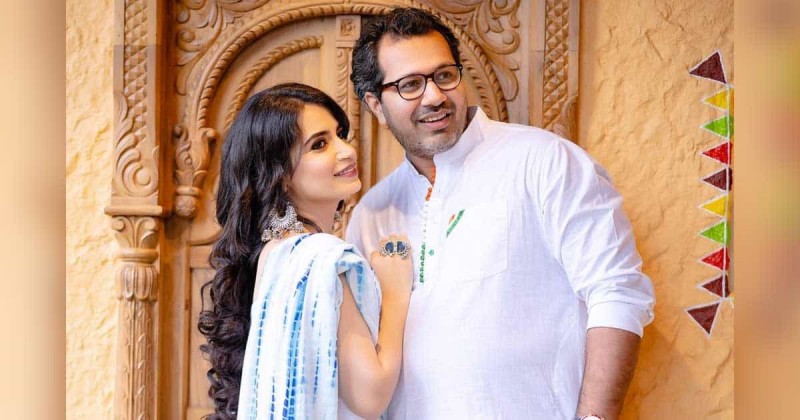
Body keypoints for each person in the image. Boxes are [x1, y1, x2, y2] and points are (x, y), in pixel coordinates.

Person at [346, 8, 656, 420]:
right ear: (376, 105)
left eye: (444, 75)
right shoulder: (371, 215)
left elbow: (617, 291)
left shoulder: (544, 161)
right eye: (410, 85)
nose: (435, 96)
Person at [198, 83, 413, 419]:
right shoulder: (320, 257)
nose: (346, 150)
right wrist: (395, 292)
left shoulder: (275, 253)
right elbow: (370, 395)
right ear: (279, 175)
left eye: (340, 134)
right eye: (319, 144)